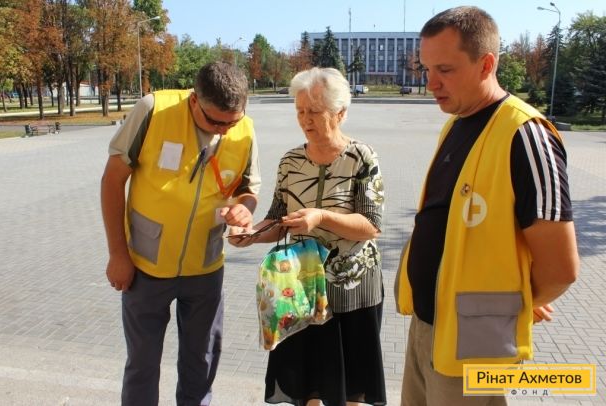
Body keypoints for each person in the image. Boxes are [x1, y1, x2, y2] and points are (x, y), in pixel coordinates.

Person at [394, 6, 580, 406]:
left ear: (486, 65)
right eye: (426, 69)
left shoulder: (526, 135)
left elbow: (561, 268)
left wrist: (518, 305)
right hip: (427, 327)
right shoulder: (456, 123)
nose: (431, 83)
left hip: (472, 343)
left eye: (445, 70)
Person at [100, 61, 260, 406]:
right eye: (215, 122)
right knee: (142, 365)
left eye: (231, 122)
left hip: (205, 269)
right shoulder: (154, 110)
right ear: (193, 100)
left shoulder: (245, 129)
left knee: (201, 363)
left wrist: (245, 210)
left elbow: (248, 189)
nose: (223, 131)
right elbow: (112, 180)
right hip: (145, 266)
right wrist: (117, 254)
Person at [229, 67, 387, 406]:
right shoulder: (290, 161)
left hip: (352, 292)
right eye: (300, 111)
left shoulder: (362, 157)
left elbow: (371, 225)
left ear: (340, 113)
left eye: (314, 111)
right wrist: (251, 234)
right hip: (300, 292)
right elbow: (278, 220)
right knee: (307, 390)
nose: (305, 120)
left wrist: (321, 217)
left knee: (349, 390)